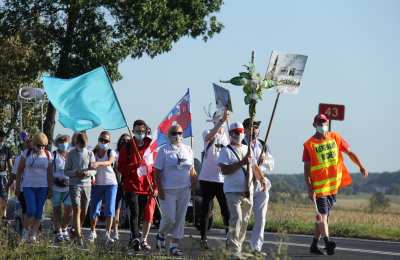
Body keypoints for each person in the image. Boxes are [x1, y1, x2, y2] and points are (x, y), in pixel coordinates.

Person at [303, 114, 368, 255]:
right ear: (314, 124)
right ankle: (327, 242)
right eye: (319, 123)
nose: (322, 125)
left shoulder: (336, 137)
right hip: (319, 189)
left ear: (328, 123)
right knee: (323, 216)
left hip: (333, 187)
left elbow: (349, 153)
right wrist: (310, 189)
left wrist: (361, 166)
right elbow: (307, 171)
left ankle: (314, 245)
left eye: (324, 122)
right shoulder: (309, 145)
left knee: (323, 217)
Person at [154, 124, 195, 257]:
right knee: (170, 218)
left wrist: (194, 185)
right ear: (168, 135)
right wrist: (159, 188)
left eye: (180, 133)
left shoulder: (188, 149)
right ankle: (161, 234)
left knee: (180, 219)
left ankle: (174, 246)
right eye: (174, 133)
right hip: (167, 190)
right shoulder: (164, 150)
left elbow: (192, 170)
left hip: (184, 189)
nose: (177, 136)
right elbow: (157, 171)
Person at [118, 120, 158, 251]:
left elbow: (155, 168)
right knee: (134, 212)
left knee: (141, 214)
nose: (140, 133)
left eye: (142, 131)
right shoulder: (128, 147)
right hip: (132, 187)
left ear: (146, 131)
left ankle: (135, 237)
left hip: (146, 188)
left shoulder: (151, 147)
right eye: (137, 131)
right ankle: (135, 238)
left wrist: (155, 187)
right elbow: (121, 167)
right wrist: (135, 166)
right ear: (133, 131)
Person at [218, 122, 253, 258]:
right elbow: (224, 170)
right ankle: (234, 249)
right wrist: (241, 163)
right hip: (232, 190)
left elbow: (253, 167)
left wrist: (260, 179)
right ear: (231, 134)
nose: (238, 135)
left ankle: (237, 242)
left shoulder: (247, 148)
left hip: (247, 190)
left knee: (244, 220)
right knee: (236, 218)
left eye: (240, 132)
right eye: (235, 132)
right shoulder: (225, 151)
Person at [198, 109, 230, 249]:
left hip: (222, 179)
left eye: (222, 120)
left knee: (226, 209)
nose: (221, 122)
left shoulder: (228, 137)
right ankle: (203, 239)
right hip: (207, 178)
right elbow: (208, 138)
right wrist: (220, 123)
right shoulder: (207, 131)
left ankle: (230, 237)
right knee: (206, 209)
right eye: (218, 119)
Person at [242, 118, 274, 254]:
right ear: (244, 130)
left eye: (255, 128)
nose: (253, 130)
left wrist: (264, 160)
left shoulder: (263, 145)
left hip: (261, 185)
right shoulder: (240, 145)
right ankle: (234, 243)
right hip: (245, 183)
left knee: (261, 217)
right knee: (242, 217)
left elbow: (272, 165)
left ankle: (256, 247)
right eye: (249, 128)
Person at [15, 132, 53, 243]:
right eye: (39, 145)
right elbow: (19, 171)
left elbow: (50, 173)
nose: (41, 148)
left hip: (43, 187)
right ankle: (25, 232)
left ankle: (33, 235)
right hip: (28, 186)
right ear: (34, 144)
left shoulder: (48, 154)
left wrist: (50, 189)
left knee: (38, 213)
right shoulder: (26, 154)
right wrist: (17, 187)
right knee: (31, 210)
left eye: (43, 146)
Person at [64, 132, 96, 246]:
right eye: (80, 142)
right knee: (76, 209)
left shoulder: (90, 154)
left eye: (84, 143)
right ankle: (79, 236)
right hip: (74, 185)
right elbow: (66, 171)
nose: (82, 145)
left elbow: (94, 169)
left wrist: (87, 173)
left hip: (87, 185)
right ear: (76, 142)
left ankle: (76, 229)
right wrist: (75, 173)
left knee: (84, 211)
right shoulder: (71, 154)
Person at [88, 131, 118, 243]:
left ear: (109, 142)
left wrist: (98, 164)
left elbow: (110, 162)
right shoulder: (93, 152)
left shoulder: (111, 152)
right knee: (94, 209)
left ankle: (107, 233)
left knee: (110, 209)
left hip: (111, 183)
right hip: (97, 184)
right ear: (98, 139)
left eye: (106, 140)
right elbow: (89, 165)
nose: (103, 142)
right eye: (101, 140)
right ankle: (92, 232)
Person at [52, 134, 72, 243]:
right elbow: (49, 171)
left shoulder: (70, 155)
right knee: (57, 210)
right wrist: (52, 183)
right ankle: (59, 231)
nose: (64, 144)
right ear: (58, 143)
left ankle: (64, 228)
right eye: (61, 142)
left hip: (68, 187)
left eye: (66, 141)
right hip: (56, 186)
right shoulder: (53, 155)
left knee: (69, 211)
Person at [11, 132, 31, 239]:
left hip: (34, 188)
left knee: (31, 210)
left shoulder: (42, 155)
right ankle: (25, 231)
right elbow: (15, 174)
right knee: (26, 209)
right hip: (23, 188)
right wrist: (15, 186)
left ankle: (29, 230)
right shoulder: (20, 158)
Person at [111, 133, 130, 241]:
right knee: (116, 209)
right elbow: (115, 167)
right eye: (123, 140)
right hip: (118, 183)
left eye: (127, 141)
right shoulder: (115, 153)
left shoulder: (131, 153)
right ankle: (115, 231)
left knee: (131, 209)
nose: (125, 142)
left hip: (129, 184)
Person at [0, 130, 13, 222]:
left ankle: (3, 216)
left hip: (3, 176)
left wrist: (12, 177)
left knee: (4, 197)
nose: (1, 141)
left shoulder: (6, 149)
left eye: (2, 139)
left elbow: (10, 164)